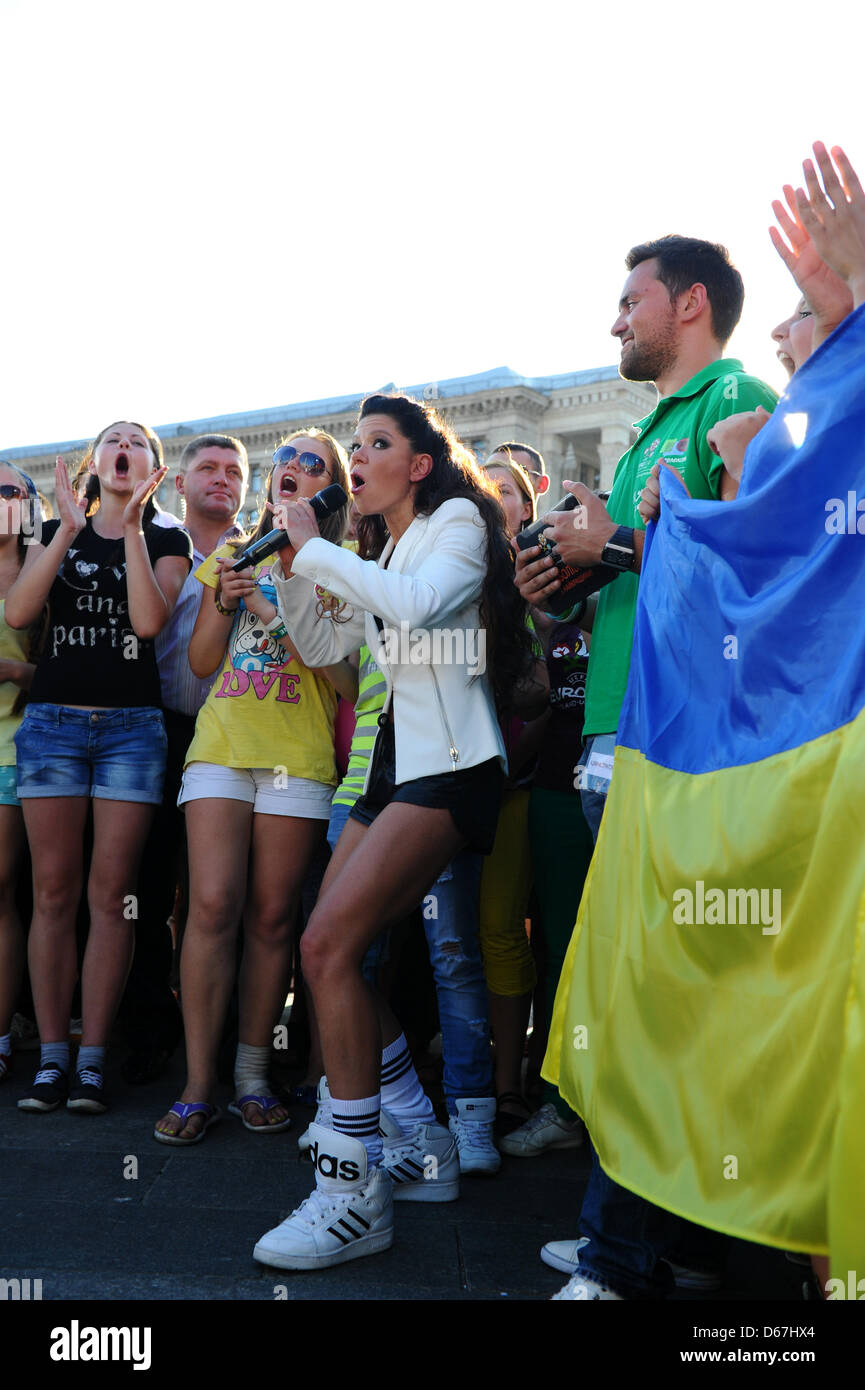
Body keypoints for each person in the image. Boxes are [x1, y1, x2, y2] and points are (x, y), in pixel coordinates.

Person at [517, 237, 779, 1299]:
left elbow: (749, 562)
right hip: (617, 730)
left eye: (629, 302)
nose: (614, 322)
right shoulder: (641, 441)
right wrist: (560, 579)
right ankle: (684, 1241)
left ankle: (616, 1259)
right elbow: (629, 576)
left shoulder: (743, 394)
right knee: (660, 1000)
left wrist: (608, 548)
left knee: (647, 1004)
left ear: (691, 302)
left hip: (680, 744)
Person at [251, 392, 537, 1269]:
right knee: (327, 948)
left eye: (377, 444)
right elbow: (331, 649)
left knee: (332, 947)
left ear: (418, 462)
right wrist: (298, 572)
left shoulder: (452, 518)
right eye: (355, 445)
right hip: (395, 771)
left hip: (453, 769)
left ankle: (350, 1189)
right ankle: (420, 1137)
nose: (357, 458)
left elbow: (417, 608)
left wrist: (320, 549)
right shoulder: (378, 545)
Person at [153, 430, 352, 1144]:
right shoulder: (234, 553)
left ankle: (251, 1076)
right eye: (287, 461)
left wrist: (275, 608)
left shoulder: (345, 564)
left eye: (314, 464)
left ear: (331, 487)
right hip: (222, 747)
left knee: (273, 920)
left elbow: (347, 678)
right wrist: (228, 600)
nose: (294, 469)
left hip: (297, 755)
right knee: (209, 905)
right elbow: (202, 662)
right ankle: (198, 1082)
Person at [6, 423, 192, 1114]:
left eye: (136, 442)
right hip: (53, 724)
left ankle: (91, 1061)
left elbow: (148, 624)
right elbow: (22, 610)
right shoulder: (55, 529)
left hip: (131, 733)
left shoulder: (167, 540)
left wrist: (134, 527)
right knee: (52, 892)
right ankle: (52, 1058)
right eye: (112, 440)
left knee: (112, 897)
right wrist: (64, 530)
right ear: (94, 463)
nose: (123, 448)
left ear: (152, 467)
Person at [118, 434, 249, 1084]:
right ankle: (146, 1031)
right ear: (180, 483)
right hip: (158, 732)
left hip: (234, 744)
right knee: (142, 888)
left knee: (216, 898)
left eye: (234, 471)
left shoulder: (259, 555)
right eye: (208, 467)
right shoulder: (153, 547)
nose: (221, 478)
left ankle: (224, 1041)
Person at [0, 464, 40, 1084]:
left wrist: (13, 674)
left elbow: (72, 671)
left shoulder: (46, 569)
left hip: (15, 747)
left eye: (10, 490)